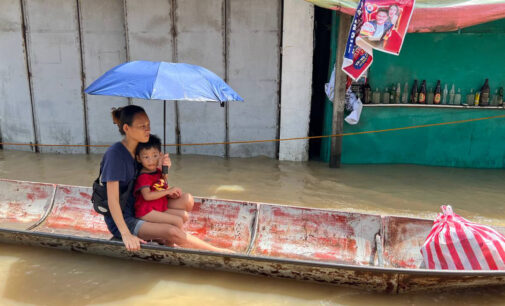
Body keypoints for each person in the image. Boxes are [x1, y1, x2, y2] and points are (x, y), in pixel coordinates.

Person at [100, 105, 231, 253]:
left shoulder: (142, 149)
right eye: (142, 126)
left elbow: (157, 182)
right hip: (125, 219)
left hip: (141, 203)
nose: (147, 130)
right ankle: (218, 252)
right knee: (172, 231)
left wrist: (164, 168)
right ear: (126, 128)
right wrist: (126, 234)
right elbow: (112, 199)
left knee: (187, 200)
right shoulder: (115, 155)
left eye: (148, 125)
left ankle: (157, 234)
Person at [133, 134, 191, 229]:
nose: (151, 161)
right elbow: (147, 196)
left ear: (160, 155)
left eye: (155, 156)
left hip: (158, 207)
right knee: (177, 221)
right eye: (146, 157)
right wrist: (168, 191)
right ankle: (170, 242)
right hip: (146, 211)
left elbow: (162, 182)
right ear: (139, 158)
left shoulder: (157, 171)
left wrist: (165, 166)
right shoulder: (143, 176)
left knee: (184, 216)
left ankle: (163, 239)